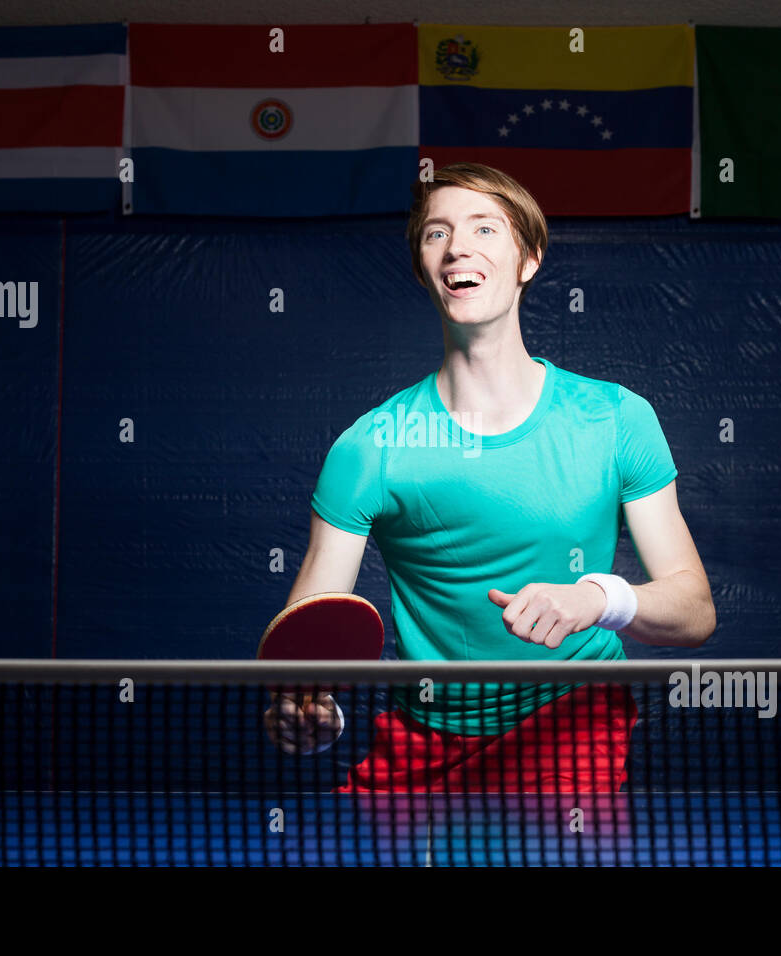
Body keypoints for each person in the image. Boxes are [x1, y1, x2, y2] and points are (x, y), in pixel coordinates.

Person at [264, 162, 715, 792]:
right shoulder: (370, 447)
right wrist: (310, 712)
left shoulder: (616, 419)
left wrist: (597, 598)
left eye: (485, 228)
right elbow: (308, 653)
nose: (458, 247)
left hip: (573, 728)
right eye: (436, 233)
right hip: (422, 745)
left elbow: (694, 611)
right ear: (426, 267)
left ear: (528, 259)